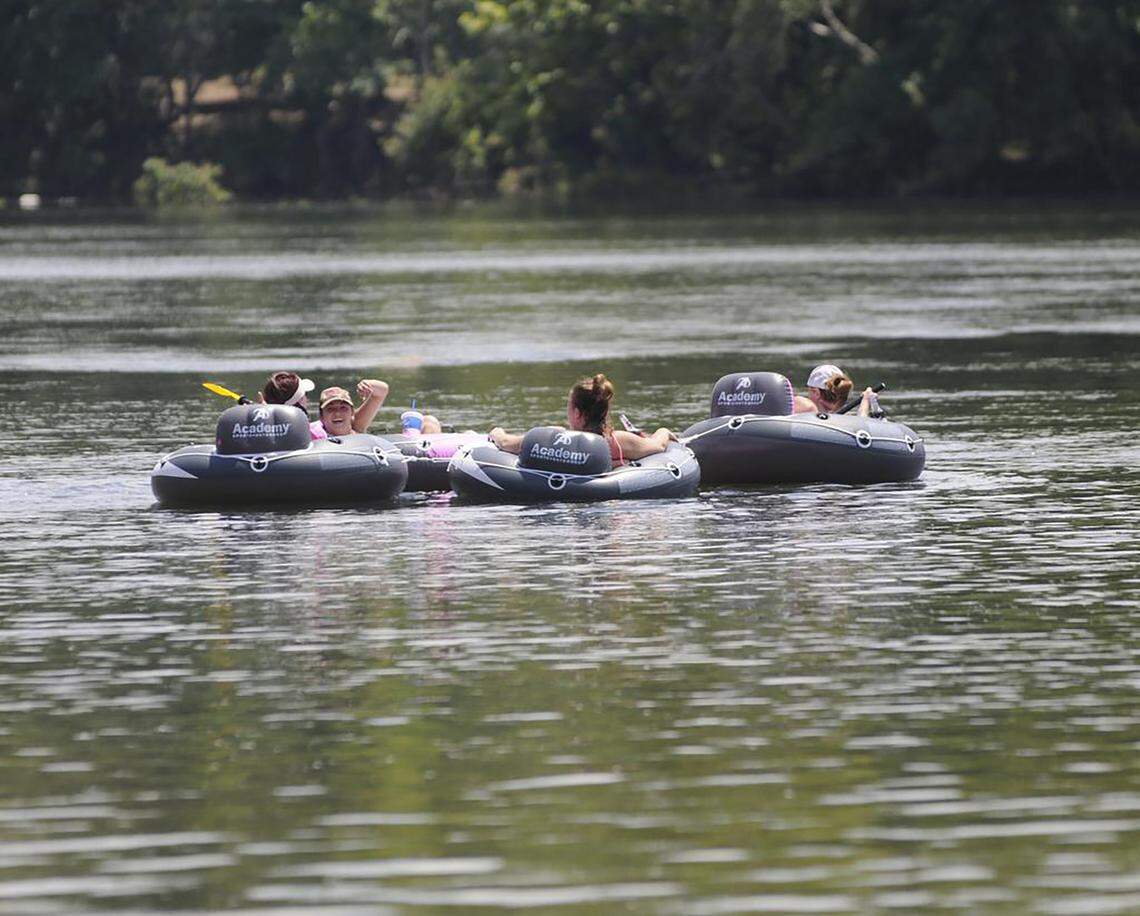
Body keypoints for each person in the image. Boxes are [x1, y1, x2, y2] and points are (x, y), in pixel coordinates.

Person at [489, 373, 673, 464]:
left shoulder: (554, 437)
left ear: (577, 413)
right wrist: (663, 431)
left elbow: (505, 443)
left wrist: (496, 432)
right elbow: (658, 446)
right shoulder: (618, 441)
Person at [793, 364, 878, 418]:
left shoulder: (805, 407)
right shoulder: (844, 421)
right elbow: (861, 424)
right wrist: (865, 401)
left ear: (816, 392)